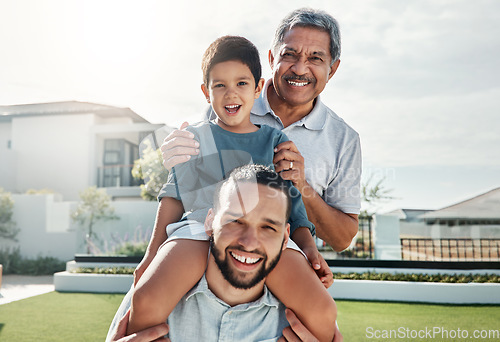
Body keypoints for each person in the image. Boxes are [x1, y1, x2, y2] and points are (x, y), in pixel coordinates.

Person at [127, 36, 336, 341]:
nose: (230, 93)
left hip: (265, 233)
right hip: (198, 229)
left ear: (257, 88)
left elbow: (294, 206)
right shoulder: (194, 137)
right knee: (146, 299)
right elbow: (173, 196)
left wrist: (309, 251)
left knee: (322, 311)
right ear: (205, 92)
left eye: (241, 83)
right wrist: (150, 256)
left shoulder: (274, 141)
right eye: (219, 85)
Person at [161, 8, 362, 252]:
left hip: (283, 263)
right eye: (290, 54)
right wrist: (175, 157)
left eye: (316, 58)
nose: (300, 69)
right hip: (215, 256)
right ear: (271, 59)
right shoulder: (229, 105)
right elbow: (187, 193)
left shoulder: (344, 140)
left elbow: (341, 240)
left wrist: (300, 184)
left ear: (333, 68)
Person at [107, 165, 342, 341]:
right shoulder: (148, 301)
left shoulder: (304, 325)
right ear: (209, 222)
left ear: (284, 238)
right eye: (235, 221)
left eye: (268, 227)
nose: (249, 243)